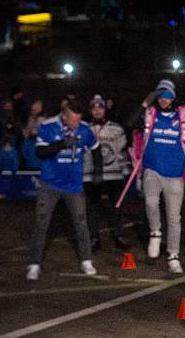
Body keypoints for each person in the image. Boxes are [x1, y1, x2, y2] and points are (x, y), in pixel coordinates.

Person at [126, 79, 185, 273]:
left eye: (168, 96)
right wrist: (147, 100)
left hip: (175, 174)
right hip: (152, 170)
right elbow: (129, 123)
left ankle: (173, 255)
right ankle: (155, 232)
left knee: (174, 218)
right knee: (151, 203)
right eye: (161, 95)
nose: (164, 100)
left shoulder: (183, 117)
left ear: (174, 97)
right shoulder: (150, 115)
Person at [26, 101, 102, 280]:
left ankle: (86, 260)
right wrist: (61, 144)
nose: (75, 124)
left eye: (78, 120)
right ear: (65, 116)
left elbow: (96, 149)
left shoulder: (84, 129)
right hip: (50, 184)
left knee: (81, 223)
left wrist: (98, 173)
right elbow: (40, 152)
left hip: (74, 185)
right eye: (72, 120)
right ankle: (35, 263)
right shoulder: (48, 126)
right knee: (41, 223)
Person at [84, 95, 131, 251]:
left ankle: (118, 234)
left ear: (105, 109)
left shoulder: (117, 128)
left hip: (113, 174)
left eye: (100, 107)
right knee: (92, 207)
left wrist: (126, 171)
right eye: (94, 107)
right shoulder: (85, 128)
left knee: (117, 206)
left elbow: (122, 150)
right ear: (91, 111)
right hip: (91, 175)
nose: (97, 110)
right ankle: (94, 237)